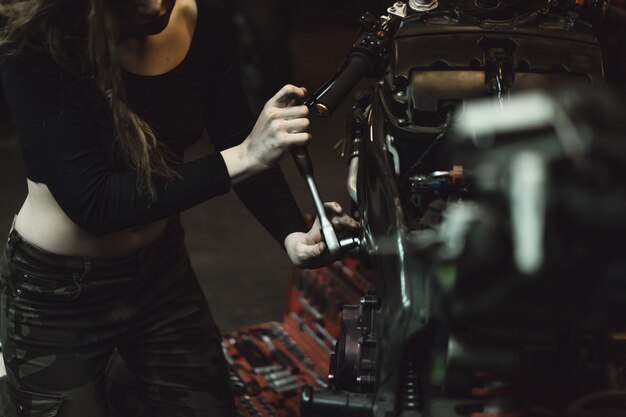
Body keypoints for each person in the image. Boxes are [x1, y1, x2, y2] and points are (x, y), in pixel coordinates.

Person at [0, 0, 357, 415]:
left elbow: (238, 133)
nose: (156, 5)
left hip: (160, 274)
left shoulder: (203, 16)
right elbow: (96, 203)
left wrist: (292, 233)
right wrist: (244, 156)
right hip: (59, 294)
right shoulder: (37, 41)